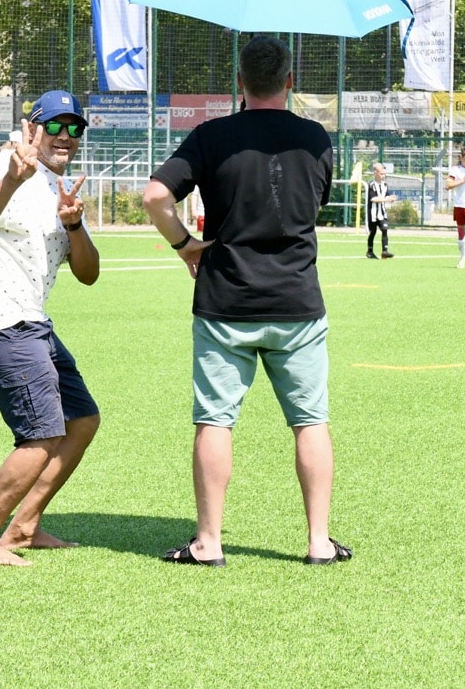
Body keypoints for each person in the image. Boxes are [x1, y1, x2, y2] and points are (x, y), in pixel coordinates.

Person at [142, 35, 351, 567]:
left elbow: (155, 196)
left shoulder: (212, 135)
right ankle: (318, 542)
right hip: (297, 302)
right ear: (289, 82)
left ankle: (208, 542)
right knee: (310, 421)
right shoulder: (315, 138)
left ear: (240, 82)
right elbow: (315, 203)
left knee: (215, 420)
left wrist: (184, 244)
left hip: (226, 300)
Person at [0, 89, 101, 566]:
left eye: (74, 127)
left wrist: (73, 225)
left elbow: (89, 274)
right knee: (41, 434)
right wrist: (13, 180)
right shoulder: (3, 167)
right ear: (31, 128)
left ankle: (24, 527)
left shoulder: (60, 188)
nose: (65, 135)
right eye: (54, 125)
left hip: (31, 320)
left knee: (81, 420)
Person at [365, 162, 395, 259]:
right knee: (372, 232)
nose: (383, 176)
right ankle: (370, 251)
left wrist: (391, 198)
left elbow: (386, 196)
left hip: (382, 213)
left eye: (384, 174)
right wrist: (386, 199)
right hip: (372, 213)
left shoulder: (385, 185)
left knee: (384, 229)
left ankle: (384, 251)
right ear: (375, 173)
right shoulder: (371, 185)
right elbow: (373, 199)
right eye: (381, 174)